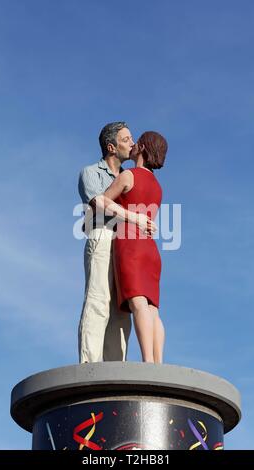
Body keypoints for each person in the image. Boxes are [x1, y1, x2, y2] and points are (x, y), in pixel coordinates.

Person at [78, 122, 156, 363]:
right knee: (98, 300)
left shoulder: (128, 176)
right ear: (111, 147)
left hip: (126, 245)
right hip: (103, 237)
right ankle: (90, 367)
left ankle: (114, 369)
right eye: (126, 139)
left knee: (122, 310)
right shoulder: (91, 172)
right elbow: (99, 204)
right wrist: (136, 218)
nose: (132, 143)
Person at [100, 131, 168, 363]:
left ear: (143, 149)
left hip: (131, 245)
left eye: (138, 142)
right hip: (151, 250)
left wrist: (127, 215)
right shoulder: (158, 187)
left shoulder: (128, 176)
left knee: (138, 303)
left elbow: (102, 201)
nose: (134, 145)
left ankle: (147, 362)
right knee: (152, 310)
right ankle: (158, 363)